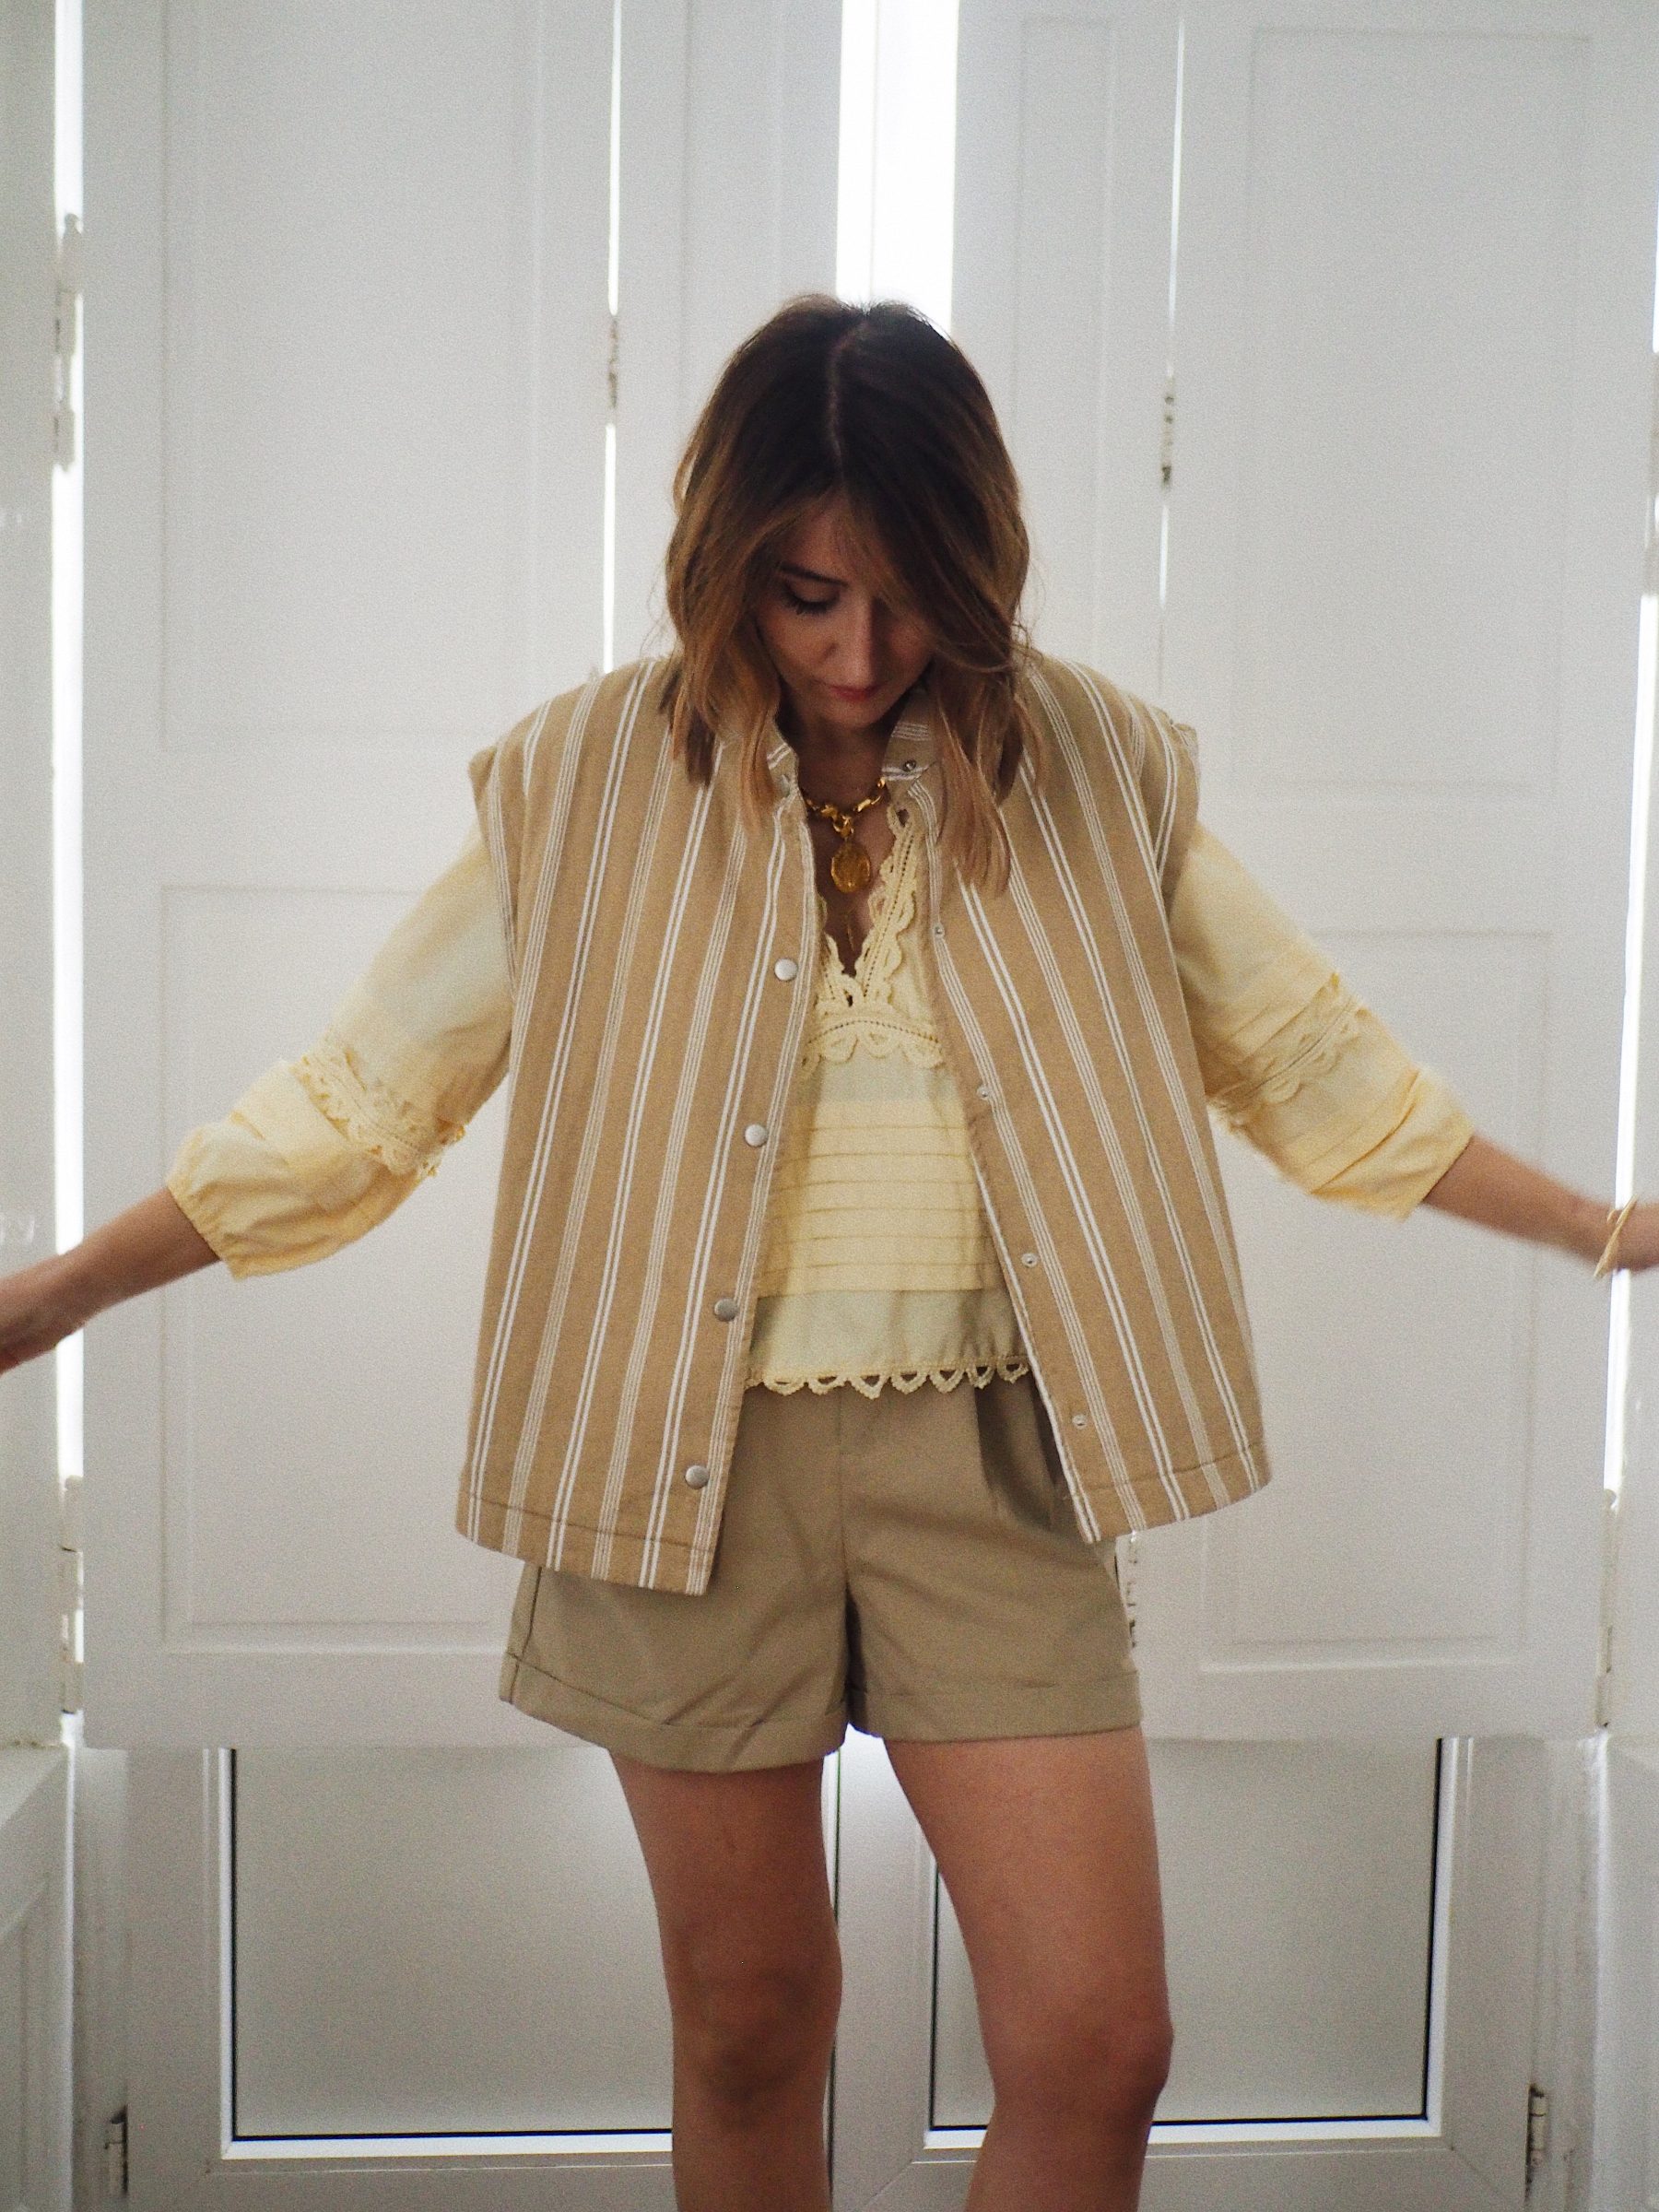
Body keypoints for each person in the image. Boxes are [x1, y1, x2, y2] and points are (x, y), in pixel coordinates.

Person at [3, 294, 1652, 2212]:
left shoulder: (1101, 770)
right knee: (751, 2021)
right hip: (675, 1465)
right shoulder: (578, 782)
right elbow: (363, 1101)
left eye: (910, 595)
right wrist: (51, 1296)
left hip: (996, 1462)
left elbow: (1307, 1061)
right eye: (805, 597)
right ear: (727, 561)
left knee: (1098, 2043)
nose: (860, 652)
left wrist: (1603, 1229)